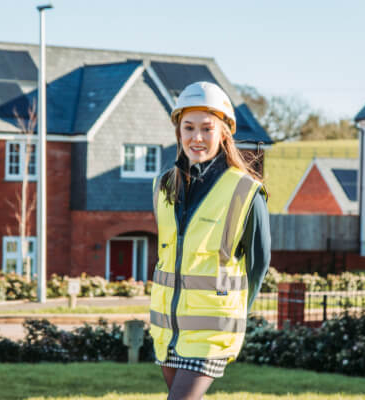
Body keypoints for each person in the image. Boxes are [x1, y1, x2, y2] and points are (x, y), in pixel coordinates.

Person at [150, 81, 271, 400]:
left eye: (207, 127)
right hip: (167, 329)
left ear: (224, 132)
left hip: (213, 331)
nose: (197, 137)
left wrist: (234, 312)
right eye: (188, 127)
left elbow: (259, 263)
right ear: (178, 132)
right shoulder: (163, 187)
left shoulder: (245, 191)